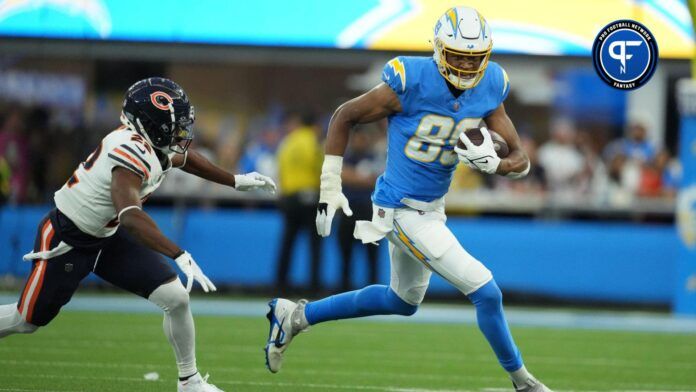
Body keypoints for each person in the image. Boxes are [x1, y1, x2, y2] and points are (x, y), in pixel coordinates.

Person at [264, 7, 552, 391]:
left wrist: (496, 165)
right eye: (458, 55)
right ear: (438, 49)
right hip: (399, 209)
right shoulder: (410, 79)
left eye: (474, 57)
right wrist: (330, 185)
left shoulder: (491, 85)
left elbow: (521, 160)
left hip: (432, 210)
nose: (466, 65)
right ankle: (525, 383)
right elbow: (344, 115)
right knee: (486, 292)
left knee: (402, 301)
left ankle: (295, 316)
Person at [0, 77, 276, 392]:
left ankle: (190, 381)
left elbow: (185, 160)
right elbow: (130, 216)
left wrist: (237, 181)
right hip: (69, 239)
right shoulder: (128, 150)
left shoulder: (149, 143)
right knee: (27, 320)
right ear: (147, 124)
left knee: (175, 298)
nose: (179, 133)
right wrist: (178, 253)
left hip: (107, 235)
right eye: (171, 126)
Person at [275, 112, 323, 294]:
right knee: (315, 245)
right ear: (314, 125)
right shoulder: (314, 142)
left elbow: (280, 167)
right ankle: (314, 287)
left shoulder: (287, 142)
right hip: (309, 197)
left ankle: (280, 285)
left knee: (287, 243)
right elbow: (321, 167)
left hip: (289, 197)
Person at [336, 127, 383, 291]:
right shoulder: (346, 157)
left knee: (372, 256)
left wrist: (354, 177)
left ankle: (373, 292)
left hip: (369, 211)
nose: (360, 142)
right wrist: (364, 179)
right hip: (348, 210)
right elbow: (343, 176)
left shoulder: (375, 158)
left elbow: (380, 179)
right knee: (345, 256)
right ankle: (344, 291)